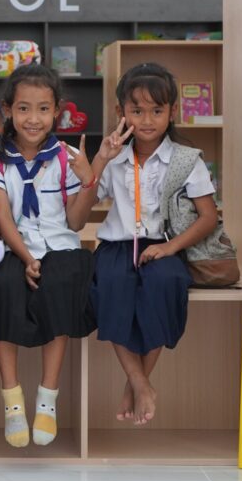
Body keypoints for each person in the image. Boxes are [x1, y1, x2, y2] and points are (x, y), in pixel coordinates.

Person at [70, 63, 218, 426]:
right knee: (109, 287)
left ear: (172, 112)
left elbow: (208, 217)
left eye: (157, 110)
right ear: (121, 112)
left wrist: (169, 249)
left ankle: (136, 383)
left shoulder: (187, 159)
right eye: (137, 110)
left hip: (165, 244)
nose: (148, 119)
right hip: (118, 247)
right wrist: (99, 164)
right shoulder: (115, 155)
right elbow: (75, 220)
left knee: (166, 284)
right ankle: (139, 381)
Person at [0, 64, 97, 447]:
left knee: (62, 282)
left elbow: (77, 223)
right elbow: (2, 217)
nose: (33, 119)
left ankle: (47, 400)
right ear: (8, 110)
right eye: (24, 109)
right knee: (2, 287)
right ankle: (12, 400)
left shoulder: (66, 157)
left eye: (43, 109)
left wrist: (88, 177)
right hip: (15, 245)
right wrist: (28, 257)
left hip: (59, 244)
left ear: (57, 111)